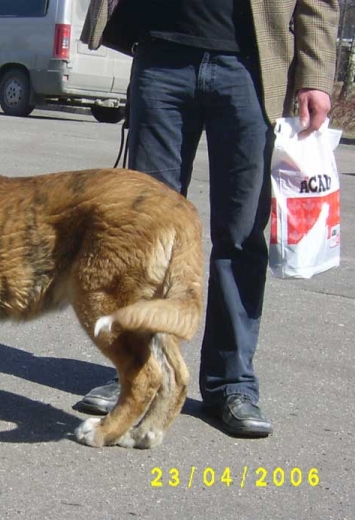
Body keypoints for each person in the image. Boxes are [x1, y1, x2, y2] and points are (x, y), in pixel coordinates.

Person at [77, 0, 339, 437]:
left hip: (250, 66)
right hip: (161, 55)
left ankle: (231, 384)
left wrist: (314, 77)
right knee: (143, 237)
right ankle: (136, 373)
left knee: (240, 236)